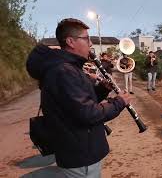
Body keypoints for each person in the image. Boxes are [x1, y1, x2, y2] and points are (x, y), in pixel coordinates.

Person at [26, 18, 130, 177]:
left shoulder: (69, 68)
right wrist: (119, 102)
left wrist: (102, 89)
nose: (90, 44)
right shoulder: (64, 71)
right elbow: (88, 113)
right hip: (80, 153)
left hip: (79, 148)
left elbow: (79, 103)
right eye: (86, 38)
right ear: (70, 41)